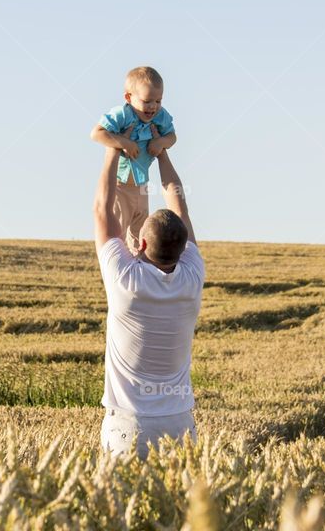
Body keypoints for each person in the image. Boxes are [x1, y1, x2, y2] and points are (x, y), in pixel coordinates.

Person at [92, 142, 205, 460]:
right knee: (180, 509)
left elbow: (103, 209)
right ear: (183, 249)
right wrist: (162, 152)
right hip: (180, 424)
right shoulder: (192, 277)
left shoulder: (125, 280)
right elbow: (180, 208)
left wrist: (112, 148)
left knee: (115, 509)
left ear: (140, 242)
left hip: (128, 425)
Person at [90, 66, 177, 254]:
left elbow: (172, 137)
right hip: (120, 186)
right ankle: (119, 266)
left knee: (141, 233)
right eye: (147, 101)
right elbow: (96, 134)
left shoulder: (160, 116)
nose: (153, 106)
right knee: (117, 232)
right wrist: (123, 143)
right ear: (129, 98)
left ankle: (140, 265)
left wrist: (161, 142)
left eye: (158, 100)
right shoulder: (121, 115)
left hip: (142, 185)